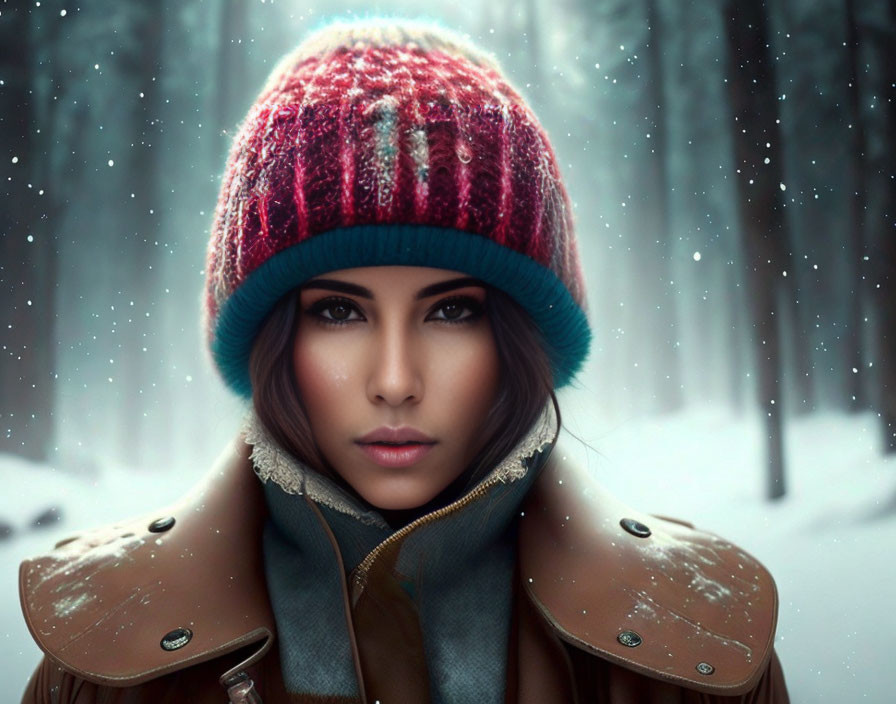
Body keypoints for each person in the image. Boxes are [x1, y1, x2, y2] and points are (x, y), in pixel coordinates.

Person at [18, 17, 789, 704]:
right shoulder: (99, 660)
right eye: (338, 311)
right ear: (269, 338)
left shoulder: (698, 654)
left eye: (452, 310)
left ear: (520, 339)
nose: (394, 382)